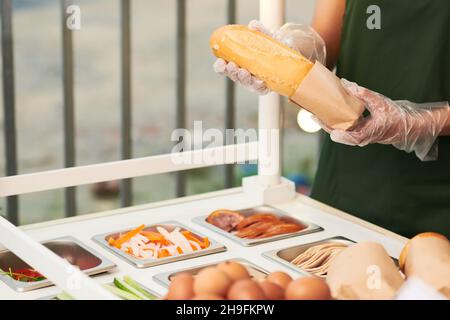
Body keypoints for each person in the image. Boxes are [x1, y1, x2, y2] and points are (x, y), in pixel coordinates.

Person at [214, 0, 450, 238]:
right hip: (348, 177)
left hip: (438, 197)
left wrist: (419, 122)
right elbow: (325, 42)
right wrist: (292, 52)